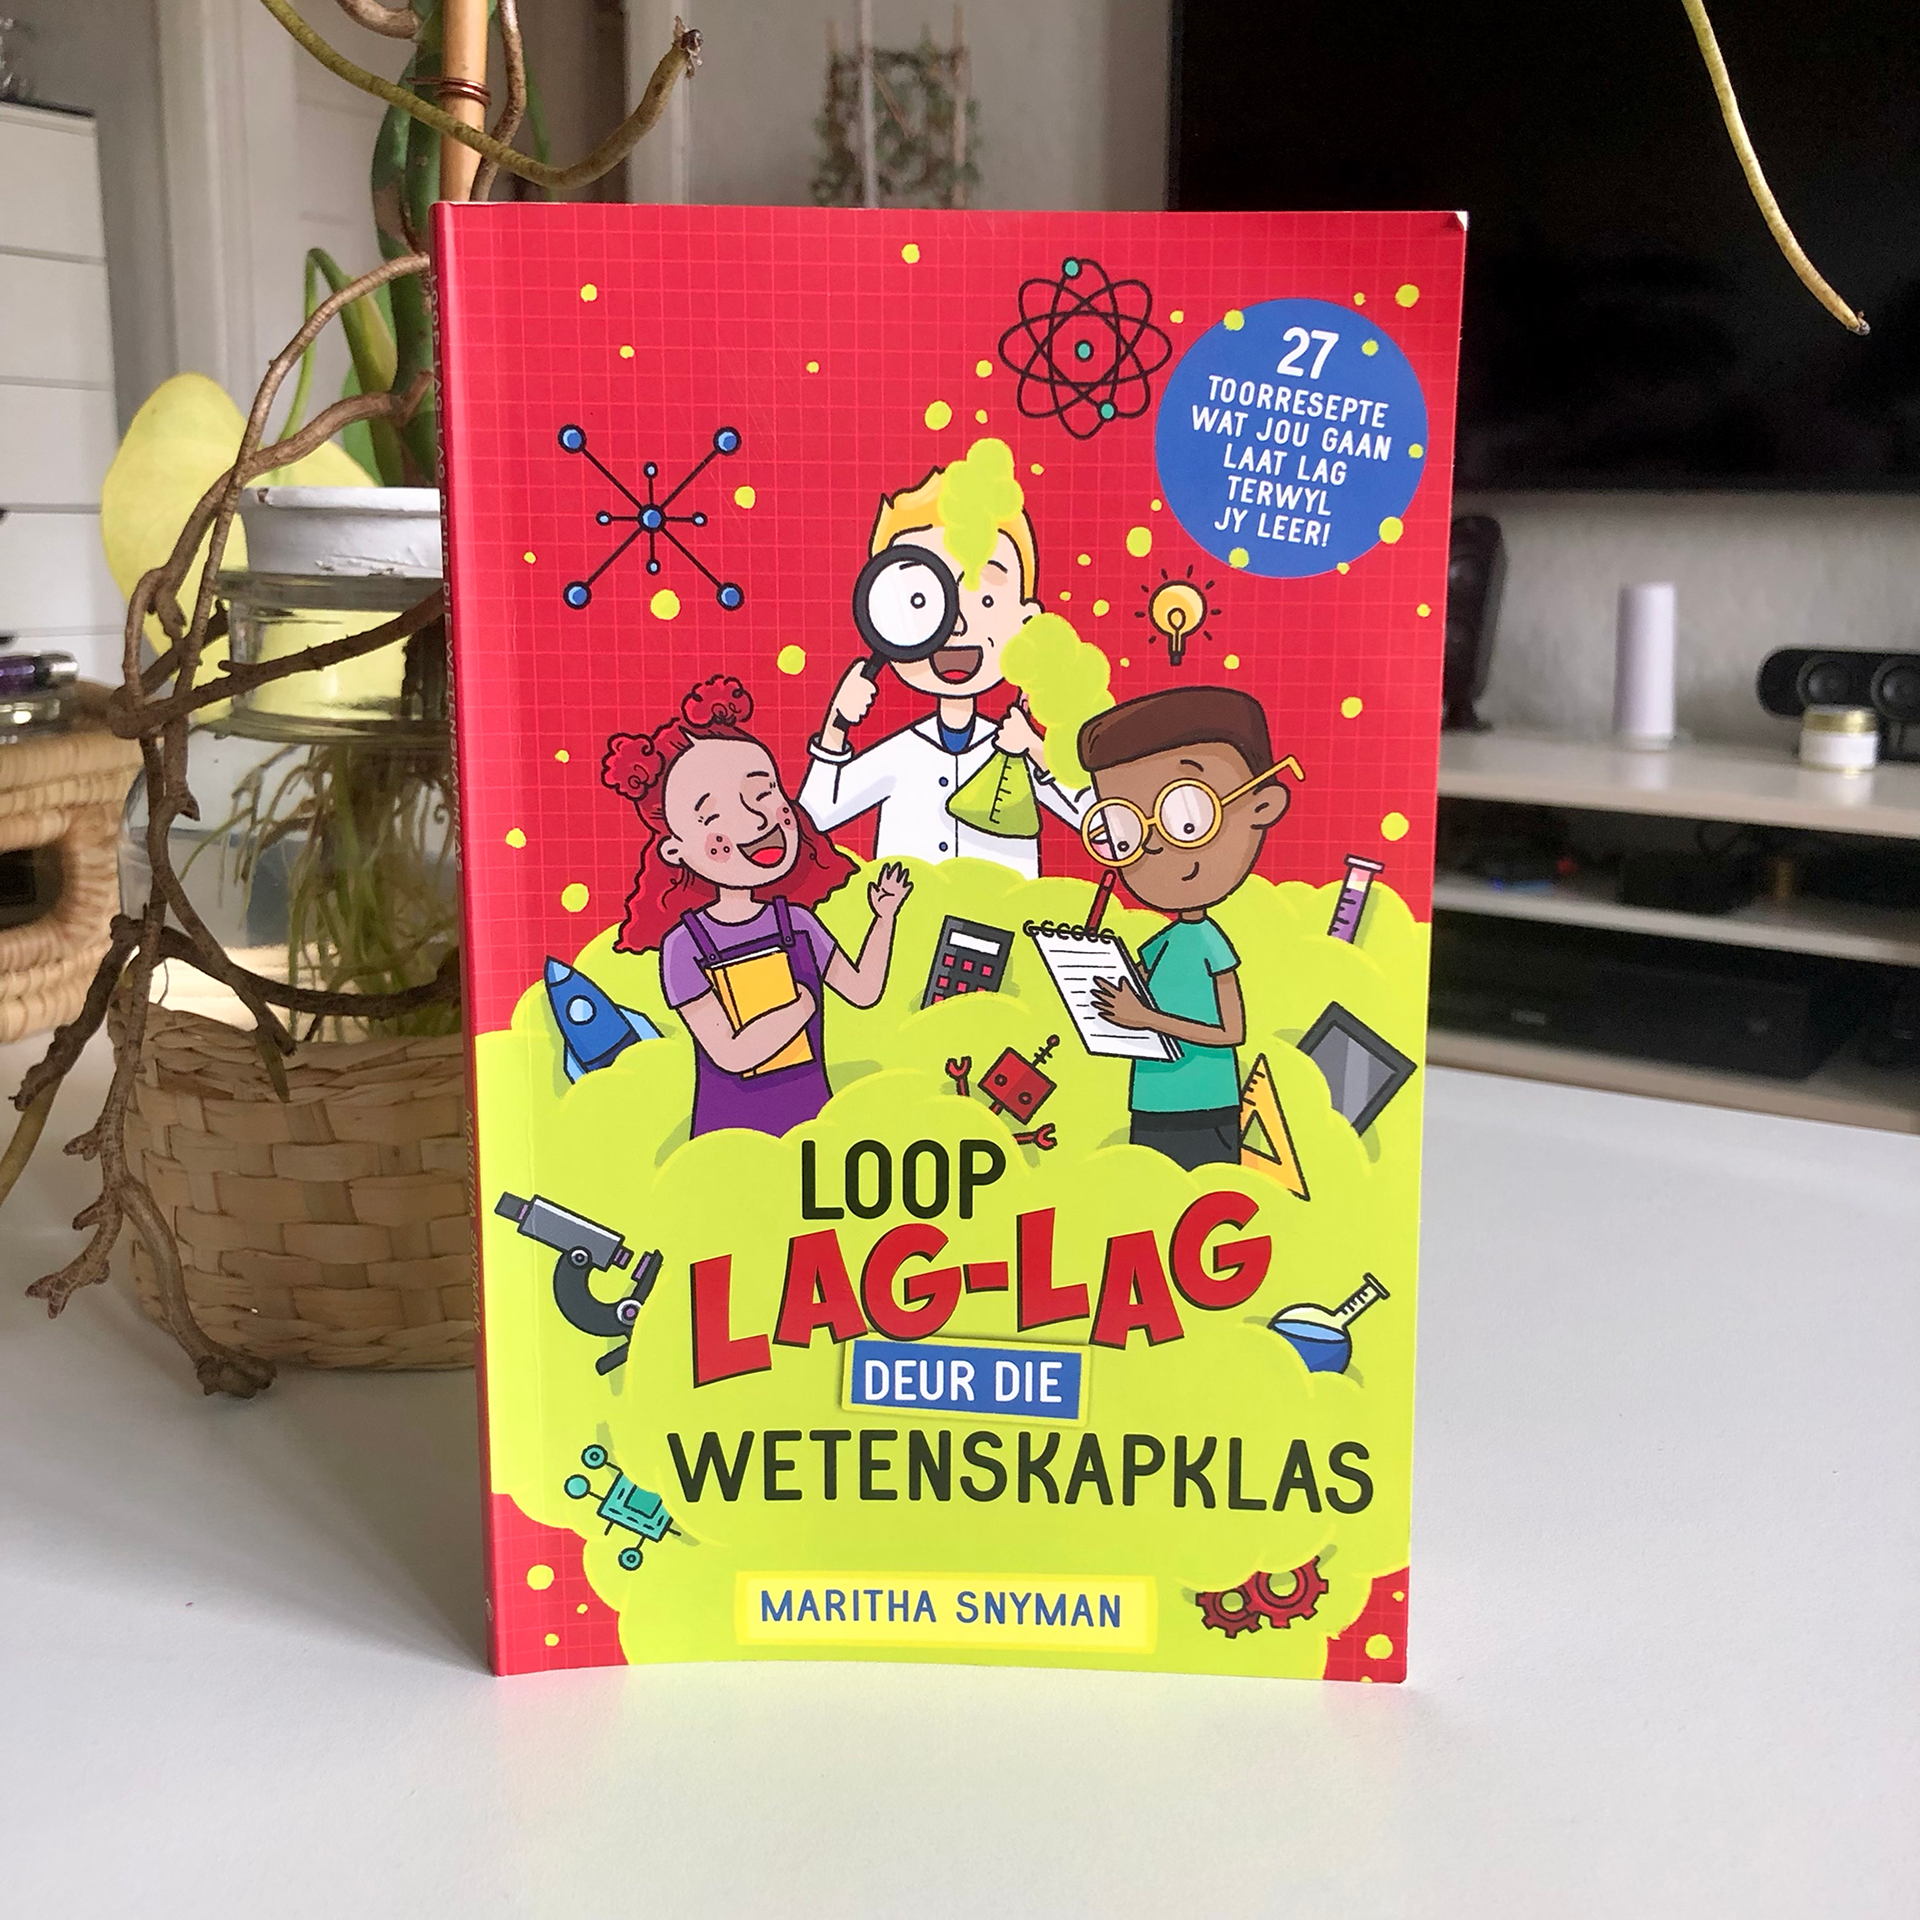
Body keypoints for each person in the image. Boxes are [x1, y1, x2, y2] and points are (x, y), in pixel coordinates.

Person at [602, 676, 911, 1140]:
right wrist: (800, 1006)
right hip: (732, 1138)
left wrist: (884, 918)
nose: (757, 819)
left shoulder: (798, 922)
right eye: (714, 815)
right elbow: (730, 1052)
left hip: (814, 1123)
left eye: (764, 793)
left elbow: (864, 991)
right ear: (675, 850)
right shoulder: (684, 947)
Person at [799, 449, 1087, 876]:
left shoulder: (1017, 748)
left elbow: (1102, 828)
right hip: (909, 912)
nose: (957, 625)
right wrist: (836, 726)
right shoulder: (904, 753)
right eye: (921, 601)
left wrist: (1038, 752)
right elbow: (815, 818)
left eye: (985, 599)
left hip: (1006, 914)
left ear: (1025, 621)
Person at [1076, 686, 1293, 1171]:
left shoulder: (1210, 943)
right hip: (1150, 1099)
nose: (1152, 845)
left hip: (1204, 1103)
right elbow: (1128, 998)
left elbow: (1231, 1030)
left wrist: (1147, 1018)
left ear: (1262, 806)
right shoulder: (1160, 943)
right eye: (1123, 828)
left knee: (1202, 1197)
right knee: (1148, 1195)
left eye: (1187, 816)